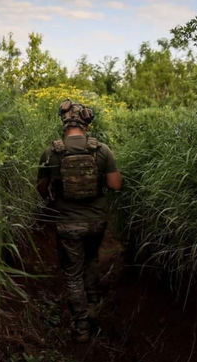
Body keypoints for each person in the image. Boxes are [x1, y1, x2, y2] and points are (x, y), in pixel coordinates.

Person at [37, 99, 123, 343]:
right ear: (86, 123)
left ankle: (82, 326)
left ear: (64, 123)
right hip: (96, 222)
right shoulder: (102, 150)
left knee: (72, 274)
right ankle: (94, 304)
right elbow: (115, 185)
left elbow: (42, 189)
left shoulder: (51, 152)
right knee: (92, 259)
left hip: (67, 224)